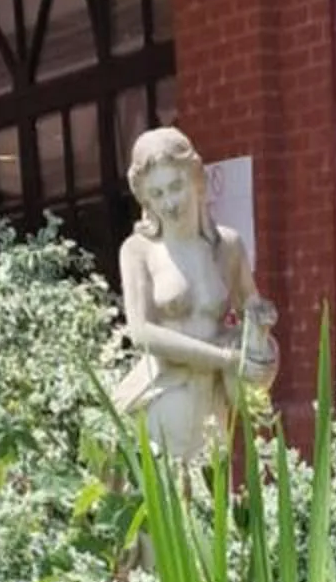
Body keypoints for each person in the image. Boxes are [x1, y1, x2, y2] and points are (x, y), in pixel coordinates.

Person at [113, 126, 275, 459]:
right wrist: (224, 358)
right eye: (157, 194)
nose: (170, 203)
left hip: (212, 403)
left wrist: (263, 354)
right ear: (145, 199)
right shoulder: (138, 250)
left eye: (176, 186)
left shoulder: (228, 246)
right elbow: (142, 333)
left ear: (196, 180)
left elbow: (255, 318)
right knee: (165, 489)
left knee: (214, 488)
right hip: (162, 395)